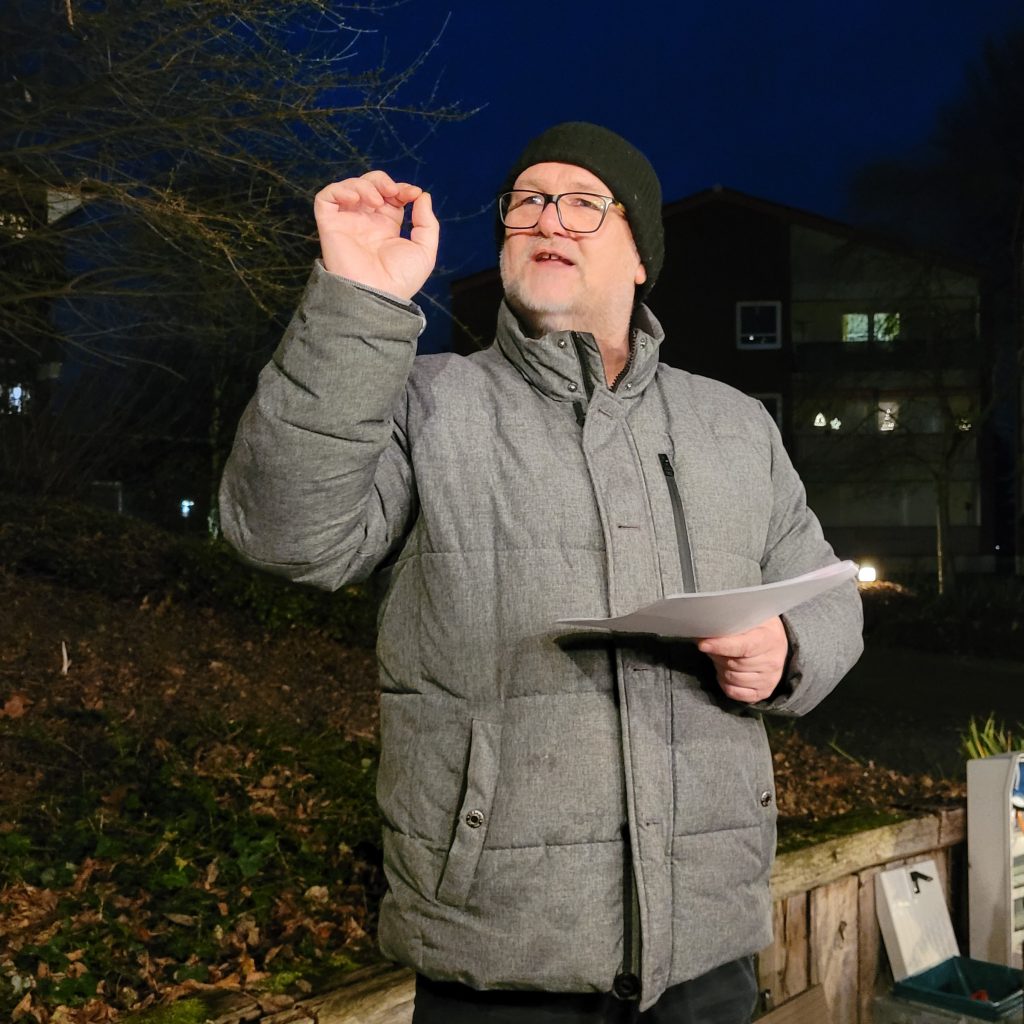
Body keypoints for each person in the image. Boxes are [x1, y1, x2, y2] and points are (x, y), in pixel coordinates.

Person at [219, 122, 863, 1023]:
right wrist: (355, 304)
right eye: (526, 201)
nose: (547, 219)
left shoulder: (734, 425)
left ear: (642, 257)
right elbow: (283, 535)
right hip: (500, 957)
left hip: (708, 954)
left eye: (583, 203)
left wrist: (787, 649)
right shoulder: (424, 404)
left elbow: (830, 594)